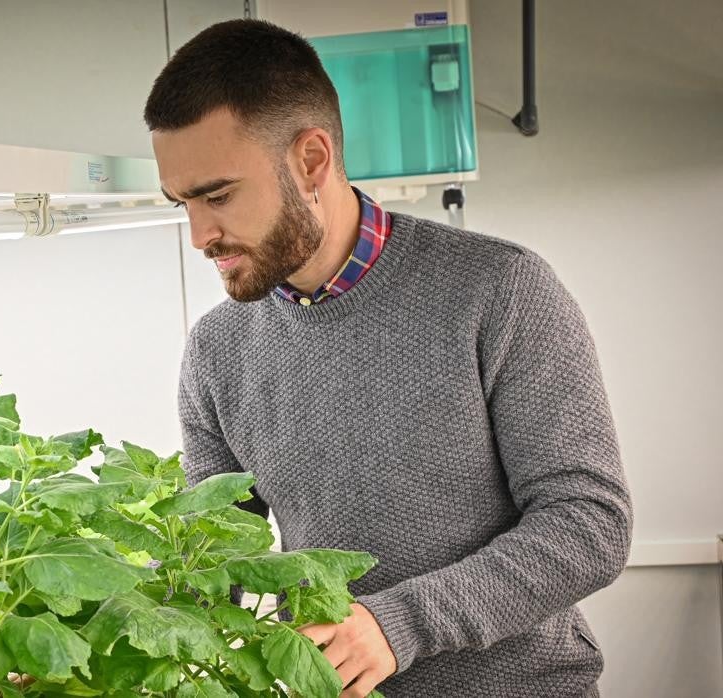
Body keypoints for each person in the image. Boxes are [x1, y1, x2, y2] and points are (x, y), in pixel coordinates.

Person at [144, 19, 632, 698]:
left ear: (312, 161)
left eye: (218, 195)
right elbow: (213, 555)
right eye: (182, 204)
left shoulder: (500, 290)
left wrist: (396, 623)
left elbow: (588, 523)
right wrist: (85, 633)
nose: (199, 235)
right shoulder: (216, 350)